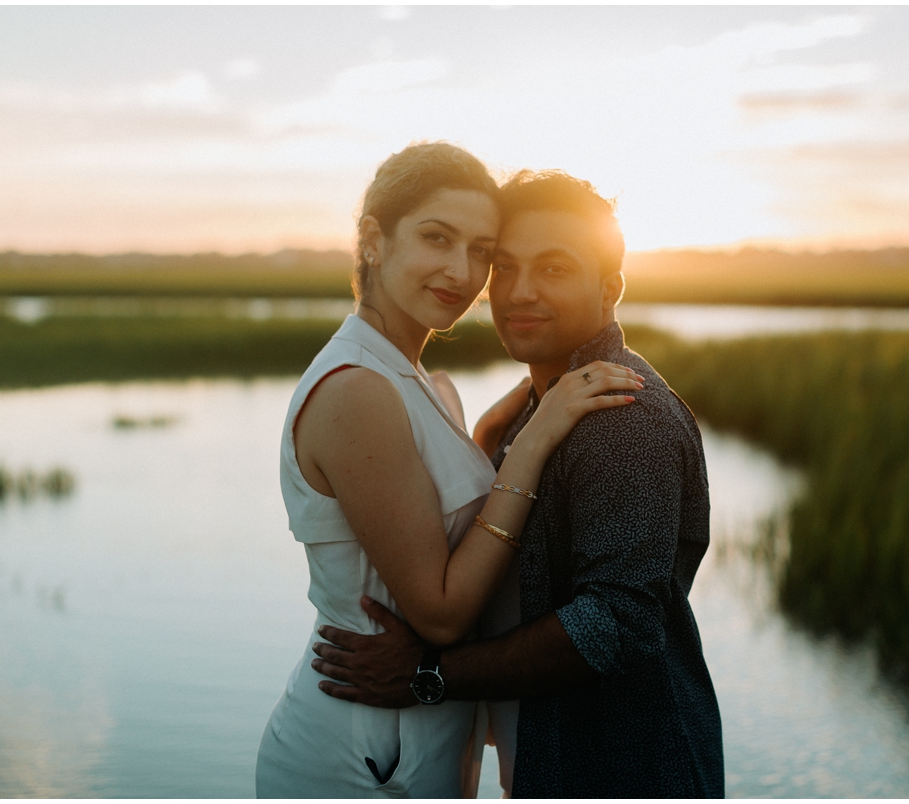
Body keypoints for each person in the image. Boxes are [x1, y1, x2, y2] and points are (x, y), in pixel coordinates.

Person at [311, 170, 725, 797]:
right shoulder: (544, 406)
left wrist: (431, 675)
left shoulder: (622, 418)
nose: (519, 292)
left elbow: (615, 622)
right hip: (553, 761)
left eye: (554, 269)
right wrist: (487, 448)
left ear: (610, 287)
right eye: (503, 267)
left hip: (627, 766)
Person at [254, 145, 644, 798]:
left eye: (481, 250)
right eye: (437, 238)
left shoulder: (418, 382)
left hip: (420, 734)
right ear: (374, 241)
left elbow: (458, 465)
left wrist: (541, 389)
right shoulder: (357, 390)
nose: (461, 272)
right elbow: (437, 614)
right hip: (364, 749)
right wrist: (540, 436)